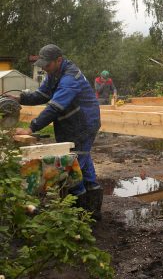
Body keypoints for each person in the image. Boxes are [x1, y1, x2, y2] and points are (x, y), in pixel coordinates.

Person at [13, 44, 103, 219]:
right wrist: (19, 98)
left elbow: (54, 107)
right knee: (83, 162)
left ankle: (79, 213)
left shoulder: (70, 79)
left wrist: (31, 128)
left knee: (73, 165)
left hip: (83, 124)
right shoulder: (54, 74)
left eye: (47, 65)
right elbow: (42, 94)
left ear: (59, 60)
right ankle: (92, 211)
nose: (44, 68)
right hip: (71, 123)